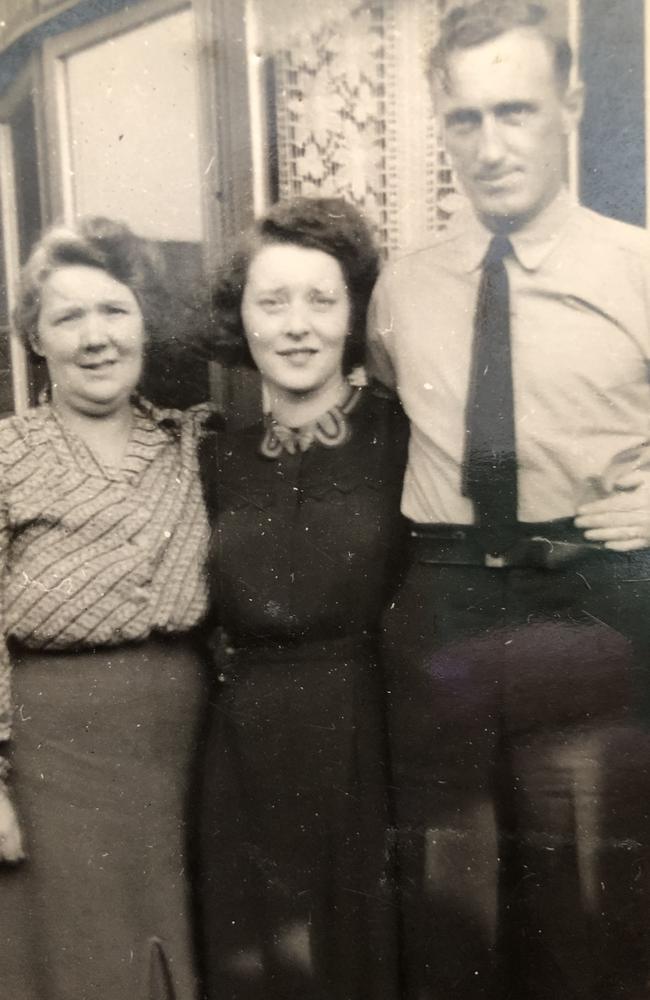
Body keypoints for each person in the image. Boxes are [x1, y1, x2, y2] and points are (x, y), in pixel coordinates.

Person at [368, 3, 650, 998]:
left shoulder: (639, 266)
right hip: (443, 602)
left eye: (515, 111)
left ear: (568, 107)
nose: (489, 146)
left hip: (592, 602)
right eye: (464, 118)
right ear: (441, 122)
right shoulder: (401, 287)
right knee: (451, 904)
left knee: (589, 908)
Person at [195, 196, 408, 1000]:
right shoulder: (215, 454)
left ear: (352, 315)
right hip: (241, 751)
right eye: (271, 300)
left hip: (367, 738)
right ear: (240, 317)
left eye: (321, 300)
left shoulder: (403, 436)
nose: (296, 325)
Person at [0, 217, 211, 1000]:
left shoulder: (193, 442)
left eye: (114, 311)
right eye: (68, 317)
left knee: (179, 946)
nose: (95, 337)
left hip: (185, 753)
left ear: (144, 323)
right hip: (54, 755)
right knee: (73, 960)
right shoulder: (7, 454)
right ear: (35, 339)